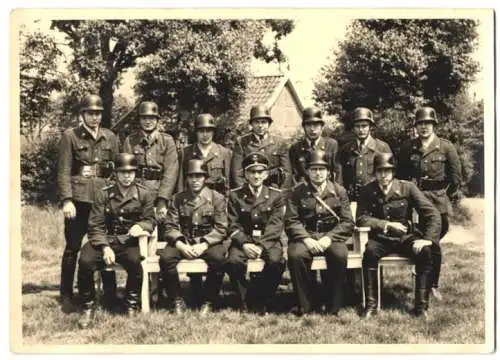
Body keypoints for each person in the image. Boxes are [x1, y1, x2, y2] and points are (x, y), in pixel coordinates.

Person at [77, 153, 157, 328]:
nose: (127, 176)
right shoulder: (103, 194)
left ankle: (131, 304)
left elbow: (151, 220)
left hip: (128, 241)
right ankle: (88, 307)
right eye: (123, 172)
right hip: (106, 239)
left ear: (135, 173)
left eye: (130, 172)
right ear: (117, 174)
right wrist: (105, 247)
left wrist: (142, 226)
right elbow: (95, 225)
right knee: (85, 260)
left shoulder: (144, 194)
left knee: (136, 262)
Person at [356, 153, 441, 318]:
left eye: (387, 171)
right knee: (369, 254)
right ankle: (371, 306)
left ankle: (421, 308)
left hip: (405, 238)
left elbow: (433, 214)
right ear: (375, 173)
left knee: (425, 253)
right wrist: (386, 225)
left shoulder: (407, 188)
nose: (383, 175)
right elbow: (361, 218)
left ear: (393, 172)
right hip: (380, 239)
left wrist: (427, 240)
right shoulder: (368, 190)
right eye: (380, 171)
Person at [57, 94, 120, 313]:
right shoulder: (70, 136)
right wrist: (67, 200)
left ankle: (110, 293)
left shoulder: (110, 136)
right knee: (73, 248)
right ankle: (66, 293)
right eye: (90, 113)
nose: (95, 117)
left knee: (104, 245)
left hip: (103, 201)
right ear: (82, 114)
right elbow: (64, 171)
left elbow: (118, 169)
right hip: (79, 202)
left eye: (98, 113)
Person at [397, 106, 462, 301]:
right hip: (415, 200)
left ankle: (433, 284)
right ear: (416, 126)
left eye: (427, 123)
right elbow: (400, 176)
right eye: (420, 123)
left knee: (434, 240)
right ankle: (424, 278)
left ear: (434, 125)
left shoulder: (446, 147)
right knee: (419, 239)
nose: (424, 127)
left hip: (437, 199)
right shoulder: (408, 147)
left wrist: (444, 194)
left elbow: (456, 177)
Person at [285, 150, 354, 316]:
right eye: (313, 169)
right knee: (296, 255)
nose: (317, 173)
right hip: (306, 235)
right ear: (308, 171)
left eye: (321, 169)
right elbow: (291, 220)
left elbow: (347, 222)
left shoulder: (339, 191)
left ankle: (333, 305)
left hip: (331, 236)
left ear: (328, 172)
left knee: (339, 255)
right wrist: (306, 239)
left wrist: (329, 239)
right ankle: (305, 305)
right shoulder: (297, 191)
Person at [159, 159, 227, 316]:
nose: (195, 180)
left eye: (199, 176)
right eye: (191, 177)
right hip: (185, 241)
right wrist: (181, 244)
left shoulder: (217, 198)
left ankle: (209, 300)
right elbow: (170, 226)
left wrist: (204, 244)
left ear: (205, 178)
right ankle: (176, 300)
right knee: (166, 258)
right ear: (187, 179)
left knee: (218, 258)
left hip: (207, 242)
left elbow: (221, 228)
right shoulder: (178, 198)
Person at [226, 152, 286, 314]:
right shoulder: (235, 195)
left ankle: (264, 300)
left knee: (276, 261)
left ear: (266, 174)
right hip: (244, 240)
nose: (256, 176)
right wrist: (245, 243)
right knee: (233, 261)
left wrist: (260, 246)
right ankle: (244, 301)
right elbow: (232, 223)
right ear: (245, 174)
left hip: (268, 241)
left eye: (260, 172)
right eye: (252, 172)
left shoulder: (276, 195)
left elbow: (276, 225)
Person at [122, 100, 179, 220]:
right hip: (136, 192)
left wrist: (163, 200)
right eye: (144, 118)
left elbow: (171, 172)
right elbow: (125, 171)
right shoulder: (130, 141)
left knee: (158, 231)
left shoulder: (167, 141)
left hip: (158, 193)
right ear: (139, 120)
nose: (148, 122)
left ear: (157, 120)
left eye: (152, 118)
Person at [230, 104, 292, 191]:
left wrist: (281, 195)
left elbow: (287, 173)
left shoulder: (279, 143)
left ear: (269, 124)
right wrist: (245, 194)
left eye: (263, 122)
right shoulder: (242, 142)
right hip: (249, 191)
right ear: (251, 123)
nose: (260, 126)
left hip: (273, 191)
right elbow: (237, 173)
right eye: (256, 122)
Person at [336, 107, 392, 202]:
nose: (361, 130)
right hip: (351, 199)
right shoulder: (345, 149)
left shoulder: (382, 147)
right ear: (353, 128)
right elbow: (339, 177)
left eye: (364, 126)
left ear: (370, 127)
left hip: (376, 198)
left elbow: (390, 175)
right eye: (357, 126)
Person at [178, 113, 232, 195]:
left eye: (208, 131)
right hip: (192, 201)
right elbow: (180, 183)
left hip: (217, 201)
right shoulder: (185, 153)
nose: (205, 135)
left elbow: (228, 183)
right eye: (201, 131)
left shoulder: (224, 153)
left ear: (213, 132)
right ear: (196, 132)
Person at [289, 107, 340, 185]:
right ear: (304, 127)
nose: (312, 129)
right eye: (308, 125)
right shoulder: (296, 148)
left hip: (327, 190)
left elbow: (337, 171)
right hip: (304, 192)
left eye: (316, 125)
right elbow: (294, 175)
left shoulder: (331, 144)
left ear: (322, 127)